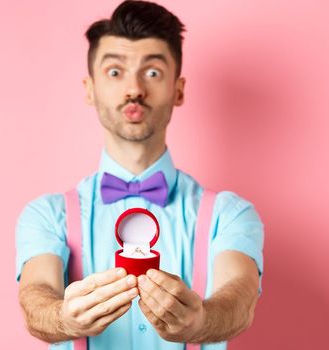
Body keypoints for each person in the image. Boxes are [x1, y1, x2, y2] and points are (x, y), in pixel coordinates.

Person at [15, 1, 264, 349]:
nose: (134, 89)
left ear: (178, 89)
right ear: (90, 88)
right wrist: (61, 317)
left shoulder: (230, 214)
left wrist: (203, 321)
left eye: (152, 72)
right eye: (115, 72)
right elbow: (35, 297)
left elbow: (239, 300)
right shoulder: (46, 215)